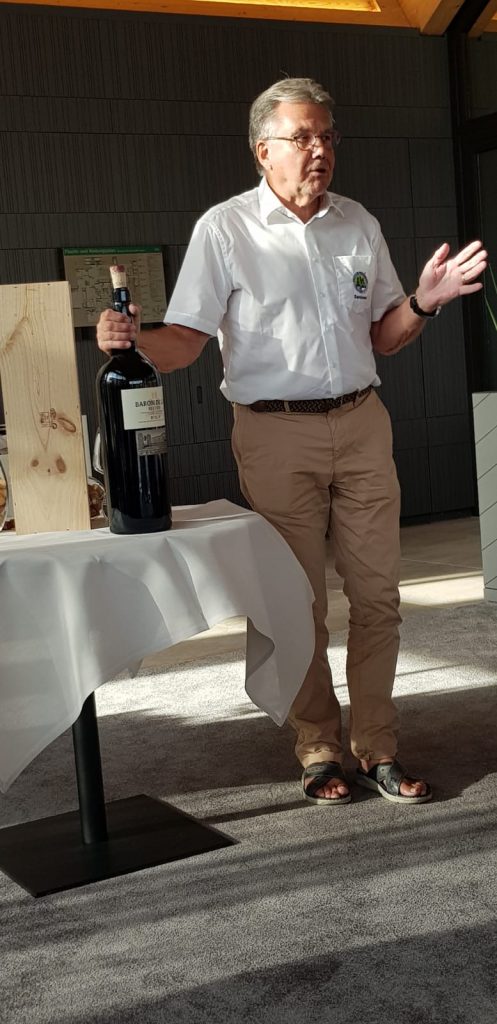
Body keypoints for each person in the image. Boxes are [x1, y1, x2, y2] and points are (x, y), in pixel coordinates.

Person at [96, 77, 487, 807]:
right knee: (296, 602)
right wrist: (131, 339)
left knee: (378, 597)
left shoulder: (357, 222)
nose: (319, 150)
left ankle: (378, 746)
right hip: (273, 432)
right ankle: (318, 749)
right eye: (302, 137)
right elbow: (184, 342)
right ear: (262, 151)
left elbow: (385, 336)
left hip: (362, 423)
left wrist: (423, 302)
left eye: (327, 137)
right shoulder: (226, 229)